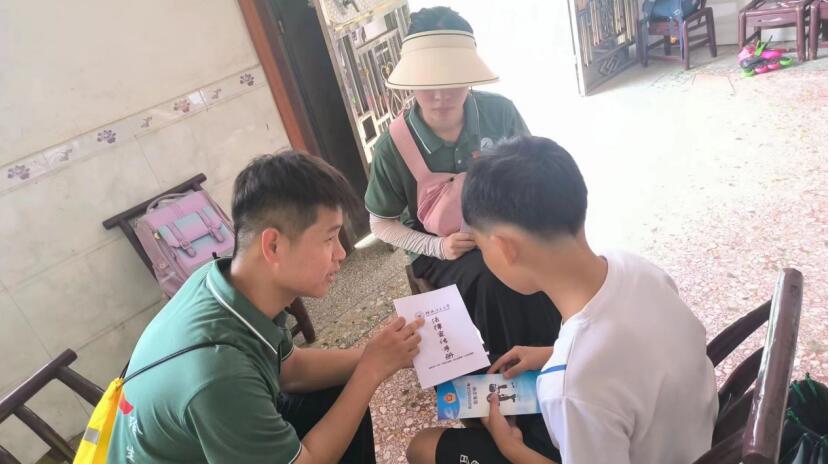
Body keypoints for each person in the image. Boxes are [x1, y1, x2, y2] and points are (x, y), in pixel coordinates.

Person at [409, 135, 719, 463]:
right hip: (698, 437)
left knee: (423, 447)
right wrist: (552, 352)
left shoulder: (571, 388)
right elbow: (638, 346)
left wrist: (511, 447)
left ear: (505, 248)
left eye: (481, 247)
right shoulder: (638, 269)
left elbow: (585, 385)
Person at [108, 151, 423, 463]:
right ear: (273, 246)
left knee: (334, 392)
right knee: (350, 390)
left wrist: (382, 355)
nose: (340, 253)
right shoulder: (219, 374)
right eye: (329, 239)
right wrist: (370, 371)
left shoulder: (224, 282)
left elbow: (291, 370)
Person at [366, 5, 561, 389]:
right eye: (428, 83)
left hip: (504, 226)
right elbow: (380, 223)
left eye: (453, 80)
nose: (440, 96)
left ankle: (559, 365)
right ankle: (514, 387)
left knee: (544, 263)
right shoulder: (393, 146)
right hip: (444, 248)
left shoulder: (499, 113)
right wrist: (438, 247)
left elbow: (532, 172)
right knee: (491, 282)